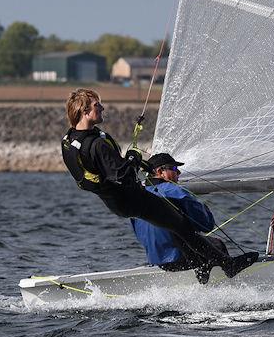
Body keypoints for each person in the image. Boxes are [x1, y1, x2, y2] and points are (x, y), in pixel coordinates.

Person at [61, 88, 256, 283]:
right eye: (97, 105)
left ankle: (203, 265)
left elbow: (98, 173)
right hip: (131, 198)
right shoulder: (97, 145)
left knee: (174, 225)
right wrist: (132, 158)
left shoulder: (70, 140)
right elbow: (121, 175)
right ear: (84, 110)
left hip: (116, 202)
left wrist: (137, 162)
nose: (102, 108)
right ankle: (226, 265)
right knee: (181, 225)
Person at [131, 153, 244, 284]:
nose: (178, 173)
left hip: (157, 261)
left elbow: (140, 235)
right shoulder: (174, 191)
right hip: (183, 259)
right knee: (218, 244)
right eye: (174, 169)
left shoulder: (137, 196)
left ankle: (201, 278)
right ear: (160, 172)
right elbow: (207, 225)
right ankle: (231, 282)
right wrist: (204, 207)